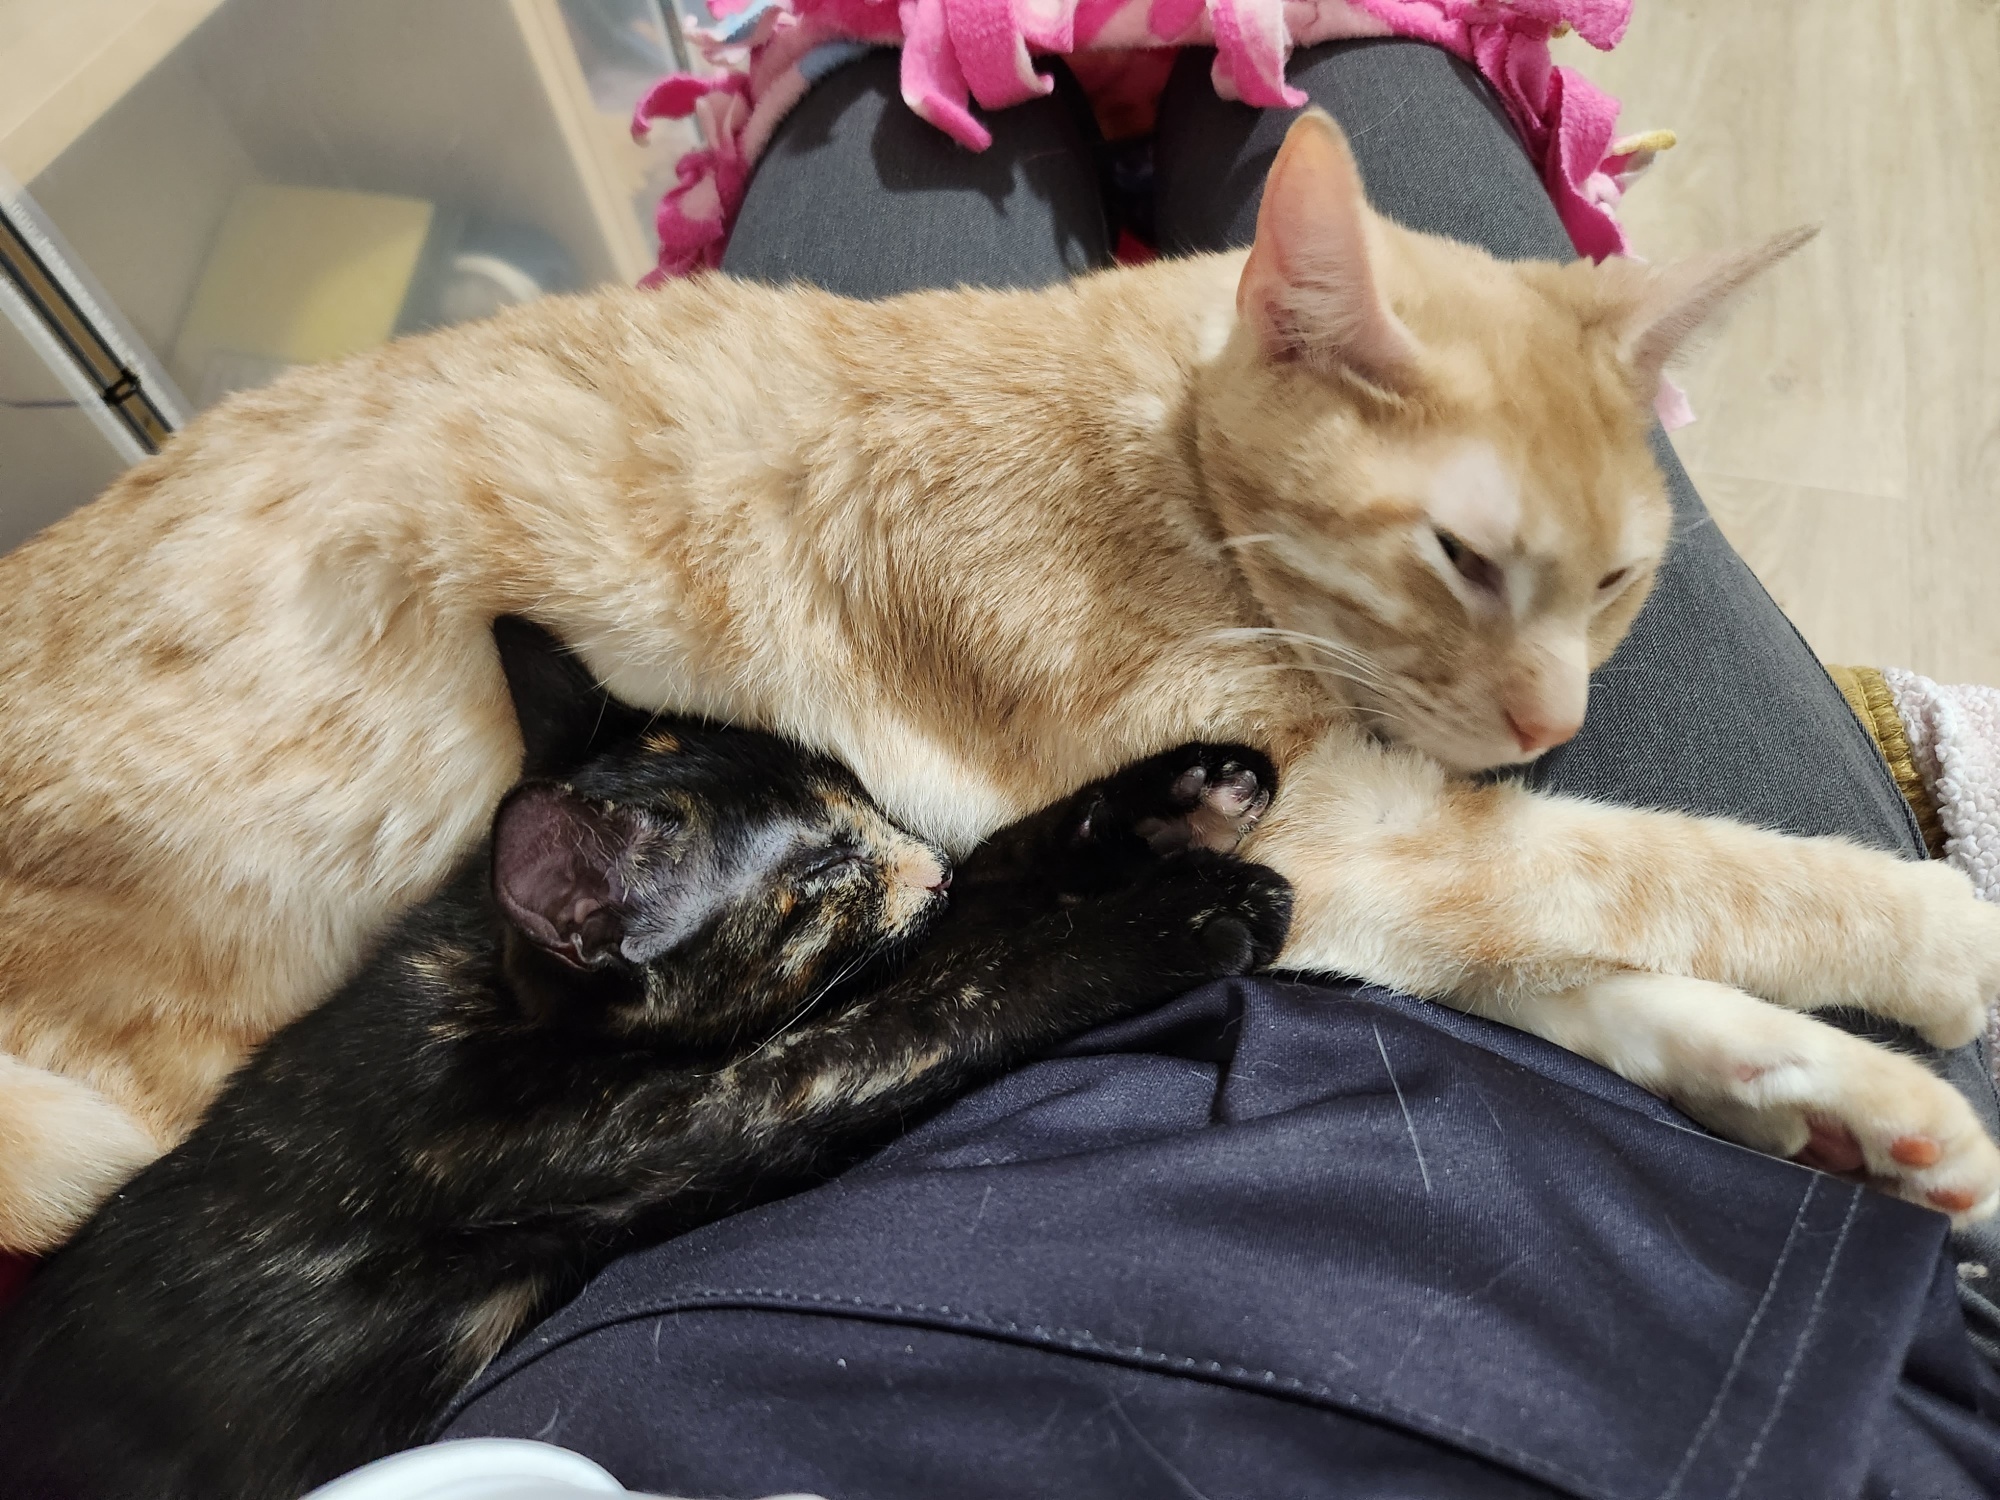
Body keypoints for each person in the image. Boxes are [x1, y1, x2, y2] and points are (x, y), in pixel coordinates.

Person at [438, 41, 2000, 1496]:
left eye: (1607, 598)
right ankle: (1225, 51)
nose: (1556, 711)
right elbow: (1367, 881)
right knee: (1369, 76)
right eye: (1476, 568)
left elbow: (1366, 886)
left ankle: (942, 48)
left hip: (935, 1164)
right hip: (1727, 1315)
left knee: (897, 105)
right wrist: (1867, 924)